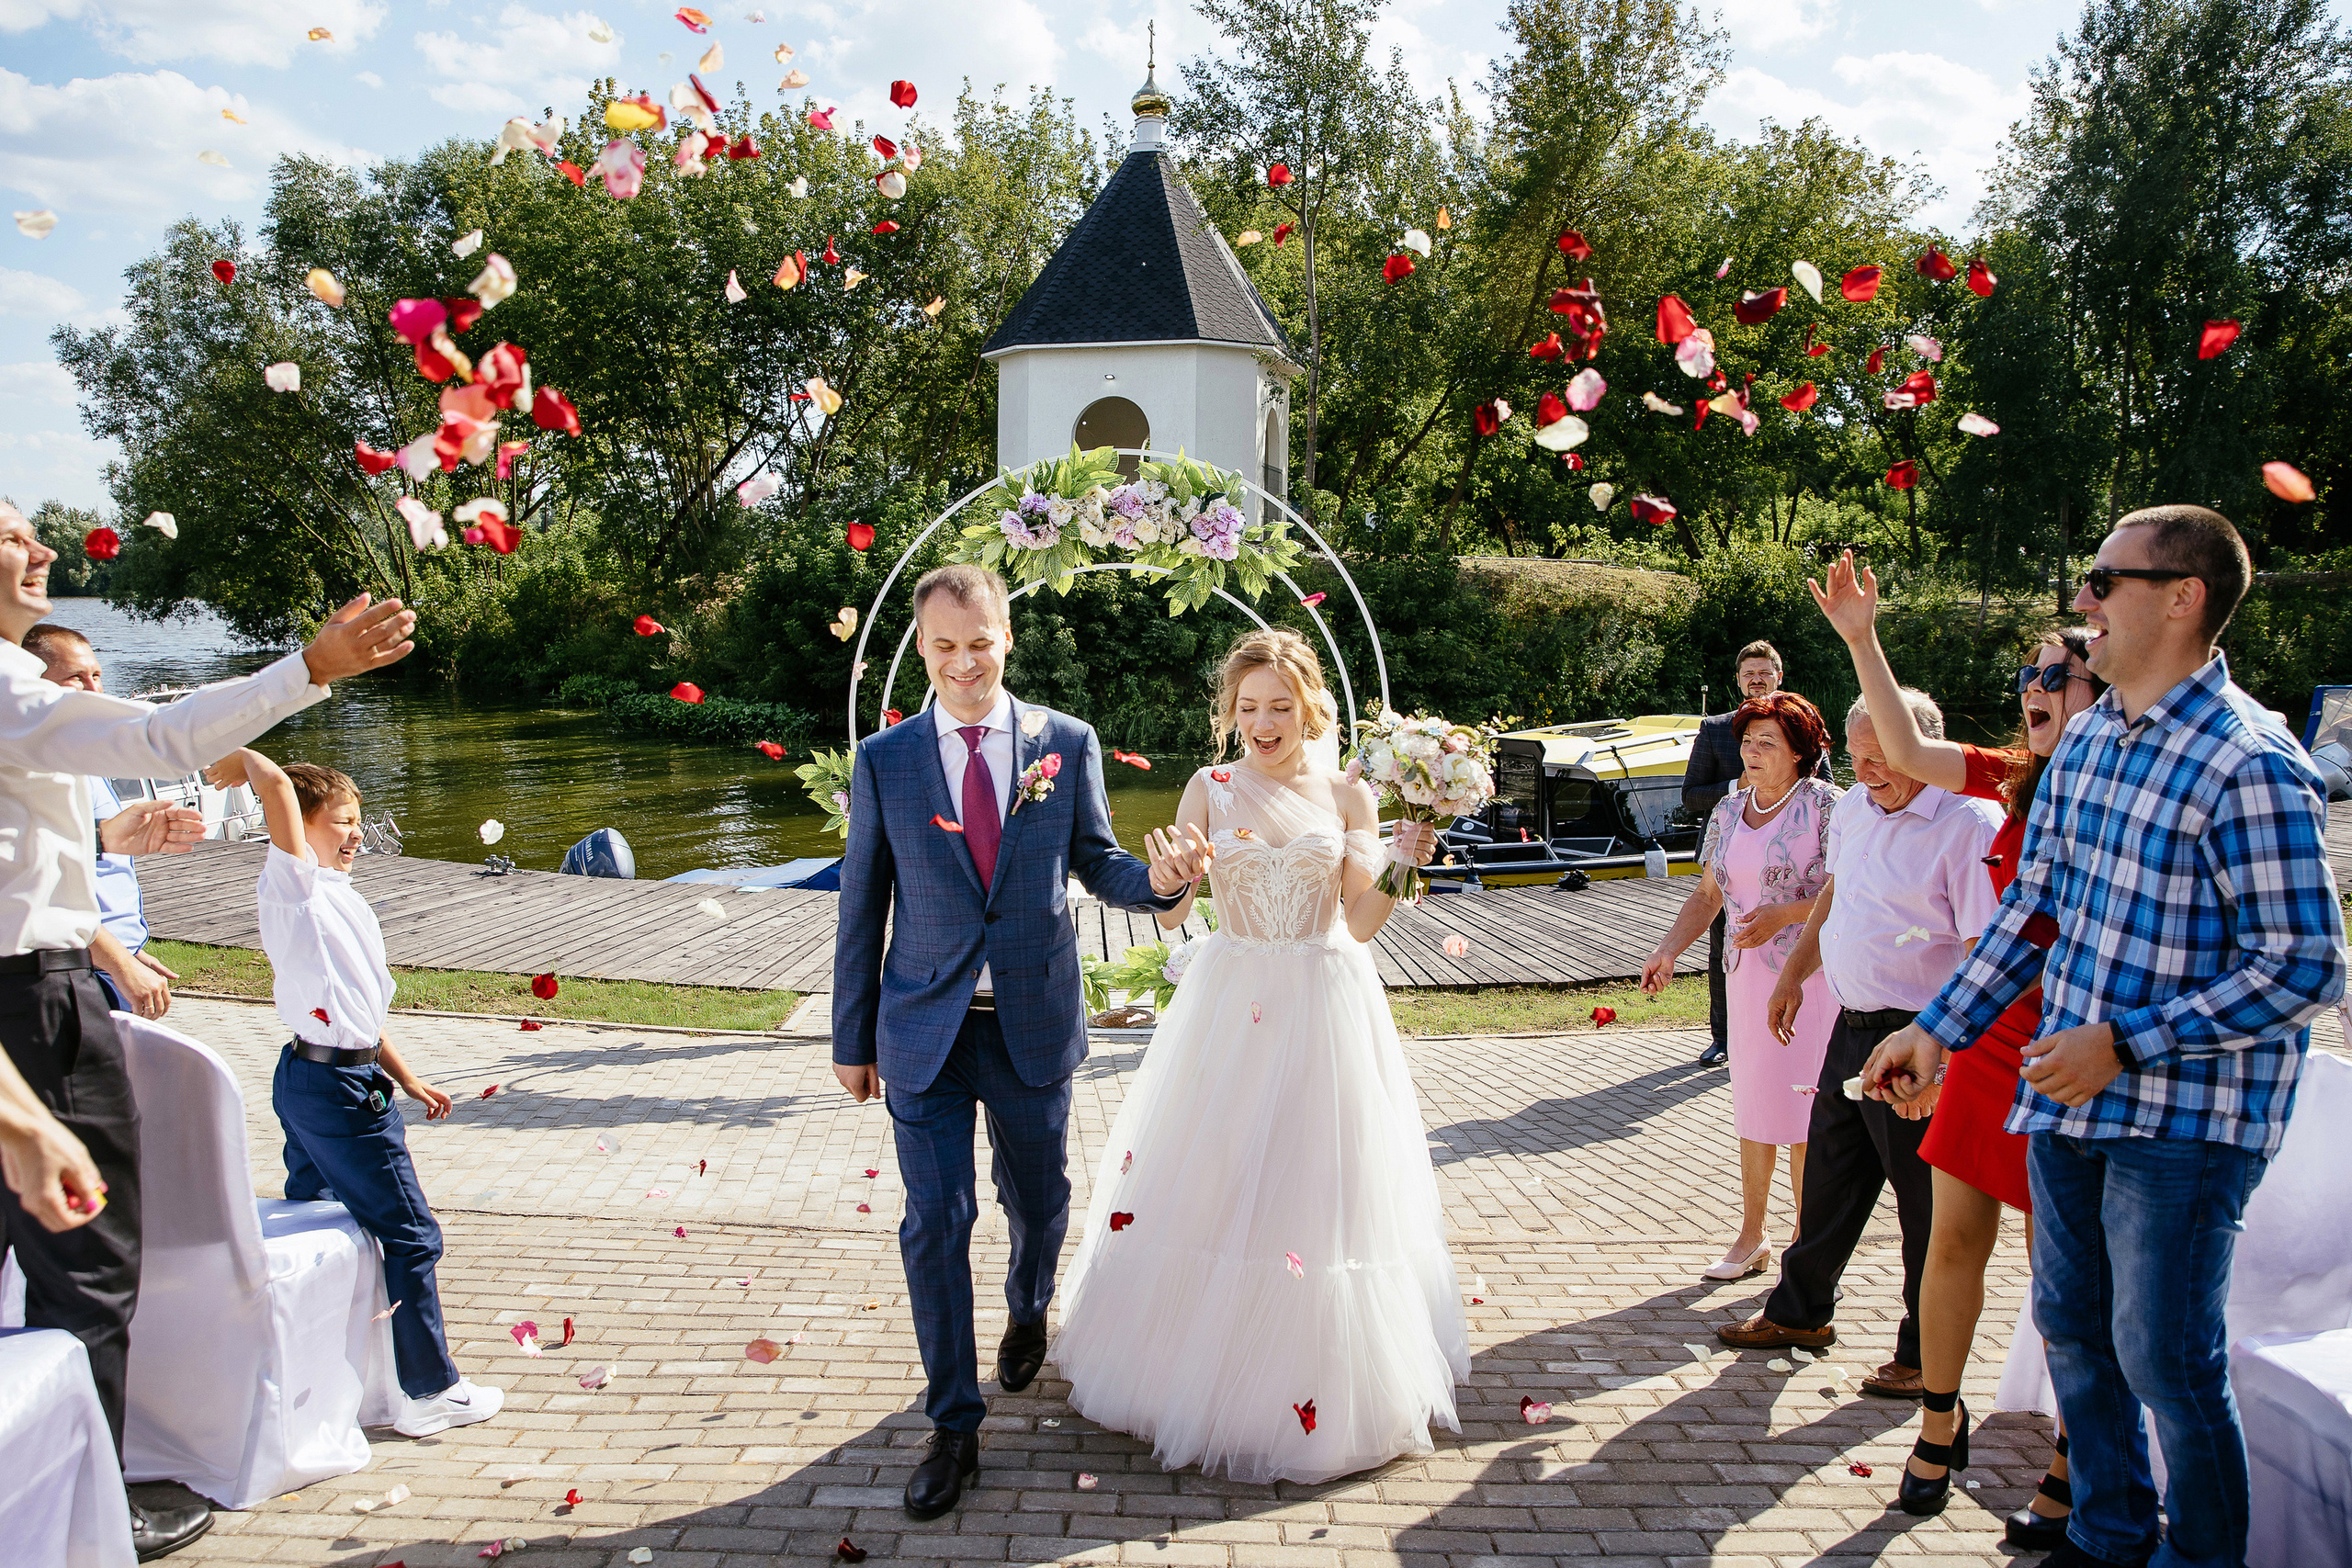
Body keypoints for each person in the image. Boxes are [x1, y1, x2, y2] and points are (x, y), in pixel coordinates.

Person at [1867, 505, 2346, 1568]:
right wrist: (1936, 1031)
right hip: (2064, 1103)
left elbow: (2306, 966)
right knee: (2076, 1340)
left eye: (2102, 580)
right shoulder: (2087, 739)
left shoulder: (2250, 761)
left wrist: (2124, 1044)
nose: (2081, 603)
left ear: (2181, 600)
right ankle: (2105, 1536)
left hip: (2184, 1124)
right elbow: (2035, 911)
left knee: (2167, 1363)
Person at [0, 500, 416, 1560]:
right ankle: (89, 1506)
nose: (42, 548)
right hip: (30, 1006)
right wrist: (308, 667)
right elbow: (160, 735)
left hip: (39, 979)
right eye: (13, 534)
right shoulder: (6, 688)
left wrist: (98, 833)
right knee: (85, 1266)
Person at [831, 564, 1209, 1520]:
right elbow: (860, 904)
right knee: (934, 1222)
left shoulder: (1063, 742)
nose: (964, 663)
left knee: (1039, 1203)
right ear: (921, 649)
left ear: (1007, 637)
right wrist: (851, 1033)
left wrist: (1163, 884)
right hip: (923, 1030)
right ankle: (954, 1425)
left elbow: (1097, 861)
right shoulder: (885, 760)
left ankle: (1030, 1298)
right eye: (944, 647)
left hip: (1032, 1022)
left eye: (980, 642)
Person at [1052, 628, 1462, 1482]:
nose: (1263, 722)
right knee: (1220, 1173)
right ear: (1228, 711)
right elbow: (1170, 915)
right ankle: (1189, 1368)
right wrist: (1174, 873)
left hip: (1323, 1003)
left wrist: (1397, 866)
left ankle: (1313, 1382)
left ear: (1310, 706)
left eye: (1280, 705)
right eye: (1248, 707)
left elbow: (1358, 923)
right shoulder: (1207, 787)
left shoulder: (1349, 796)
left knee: (1313, 1187)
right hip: (1229, 1005)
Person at [1811, 551, 2103, 1528]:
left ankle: (2074, 1453)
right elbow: (1901, 740)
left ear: (2104, 686)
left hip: (2074, 1053)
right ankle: (1939, 1419)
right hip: (1985, 1035)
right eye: (2024, 675)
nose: (2031, 688)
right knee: (1951, 1243)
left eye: (2052, 673)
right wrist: (1862, 641)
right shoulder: (2014, 775)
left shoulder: (2127, 783)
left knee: (2062, 1267)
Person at [1716, 689, 2001, 1403]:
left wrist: (1946, 1053)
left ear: (1922, 746)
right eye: (1858, 755)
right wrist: (1793, 974)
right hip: (1851, 1023)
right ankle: (1800, 1311)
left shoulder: (1967, 823)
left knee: (1922, 1205)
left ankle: (1920, 1351)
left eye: (1884, 754)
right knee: (1832, 1180)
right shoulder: (1854, 811)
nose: (1869, 769)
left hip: (1921, 1036)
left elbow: (1981, 951)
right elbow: (1834, 898)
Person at [202, 745, 494, 1439]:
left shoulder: (335, 893)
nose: (357, 833)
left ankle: (332, 1378)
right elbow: (273, 785)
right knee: (412, 1236)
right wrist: (240, 755)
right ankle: (429, 1391)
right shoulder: (293, 881)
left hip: (322, 1073)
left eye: (359, 819)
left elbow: (360, 1011)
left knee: (324, 1223)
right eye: (342, 821)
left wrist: (408, 1076)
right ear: (301, 829)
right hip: (333, 1088)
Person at [1640, 694, 1841, 1281]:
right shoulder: (1728, 810)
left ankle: (1807, 1245)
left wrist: (1782, 915)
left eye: (1767, 743)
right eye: (1747, 741)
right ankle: (1752, 1234)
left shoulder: (1830, 807)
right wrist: (1668, 949)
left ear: (1801, 752)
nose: (1751, 753)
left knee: (1804, 1111)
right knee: (1755, 1105)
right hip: (1744, 977)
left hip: (1810, 978)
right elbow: (1708, 896)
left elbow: (1844, 893)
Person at [28, 622, 203, 1021]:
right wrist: (119, 964)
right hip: (77, 968)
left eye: (97, 675)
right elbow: (49, 885)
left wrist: (132, 948)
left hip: (103, 960)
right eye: (76, 677)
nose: (95, 690)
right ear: (31, 686)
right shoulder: (40, 770)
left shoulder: (82, 759)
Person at [1681, 641, 1833, 1067]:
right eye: (1749, 673)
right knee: (1723, 950)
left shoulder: (1803, 741)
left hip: (1810, 950)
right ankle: (1723, 1037)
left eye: (1764, 673)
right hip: (1731, 860)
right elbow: (1691, 795)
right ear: (1738, 679)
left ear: (1778, 677)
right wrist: (1741, 787)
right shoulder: (1715, 729)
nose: (1757, 680)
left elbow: (1825, 782)